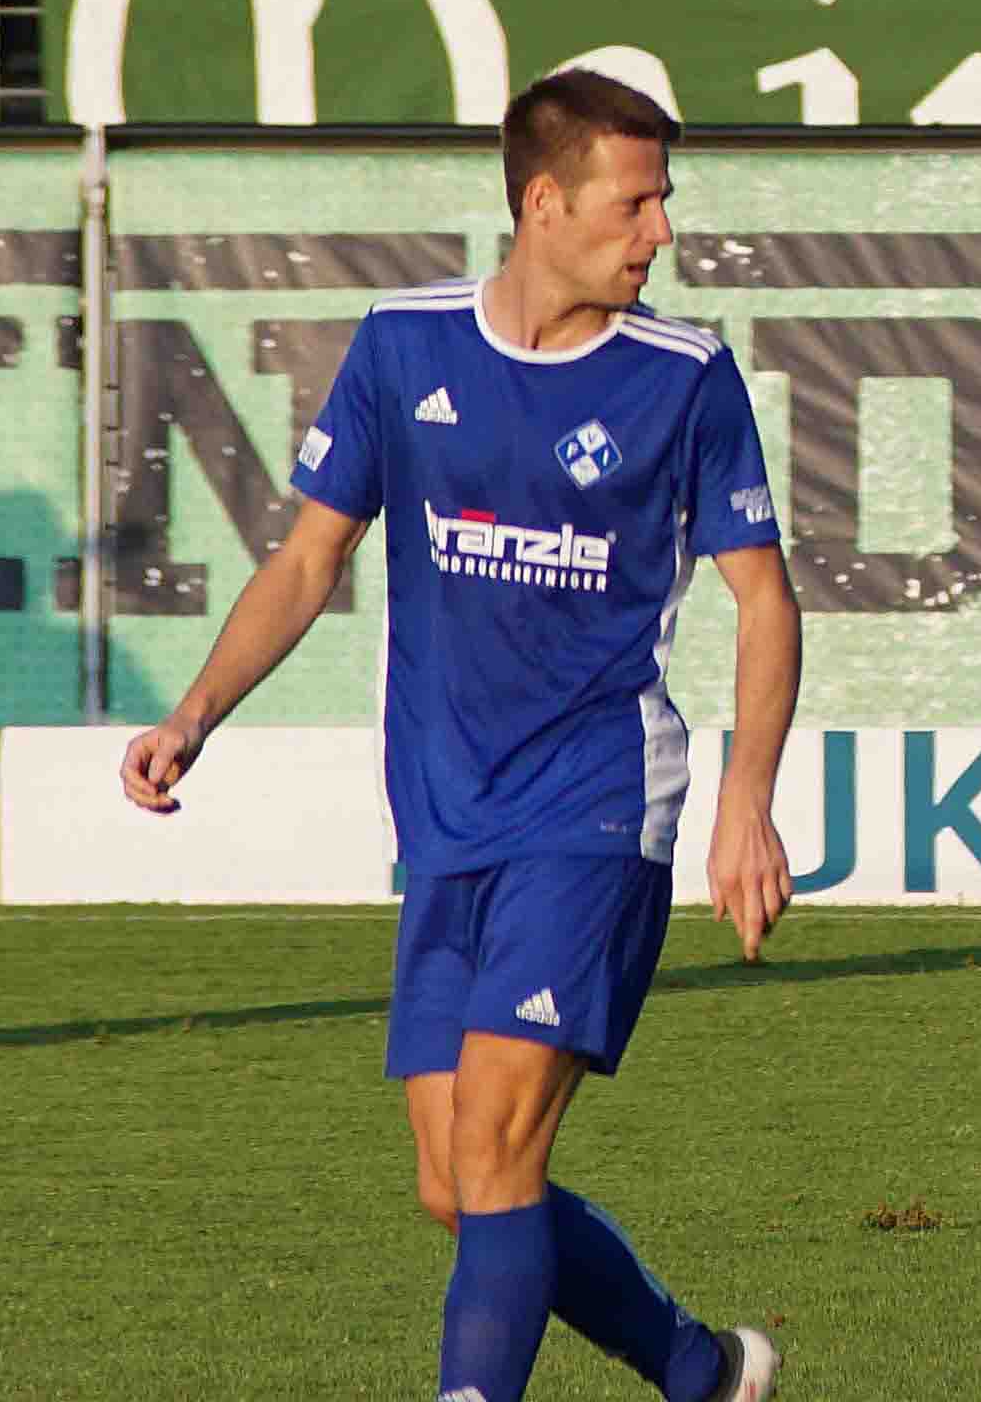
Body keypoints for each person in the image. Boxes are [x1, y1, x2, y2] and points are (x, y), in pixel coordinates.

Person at [123, 69, 793, 1402]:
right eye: (635, 202)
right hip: (443, 816)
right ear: (544, 204)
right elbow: (309, 558)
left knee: (493, 1147)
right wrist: (196, 711)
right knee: (457, 1180)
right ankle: (703, 1372)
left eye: (663, 200)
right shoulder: (404, 346)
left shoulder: (685, 377)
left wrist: (745, 801)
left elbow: (764, 597)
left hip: (597, 803)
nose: (660, 230)